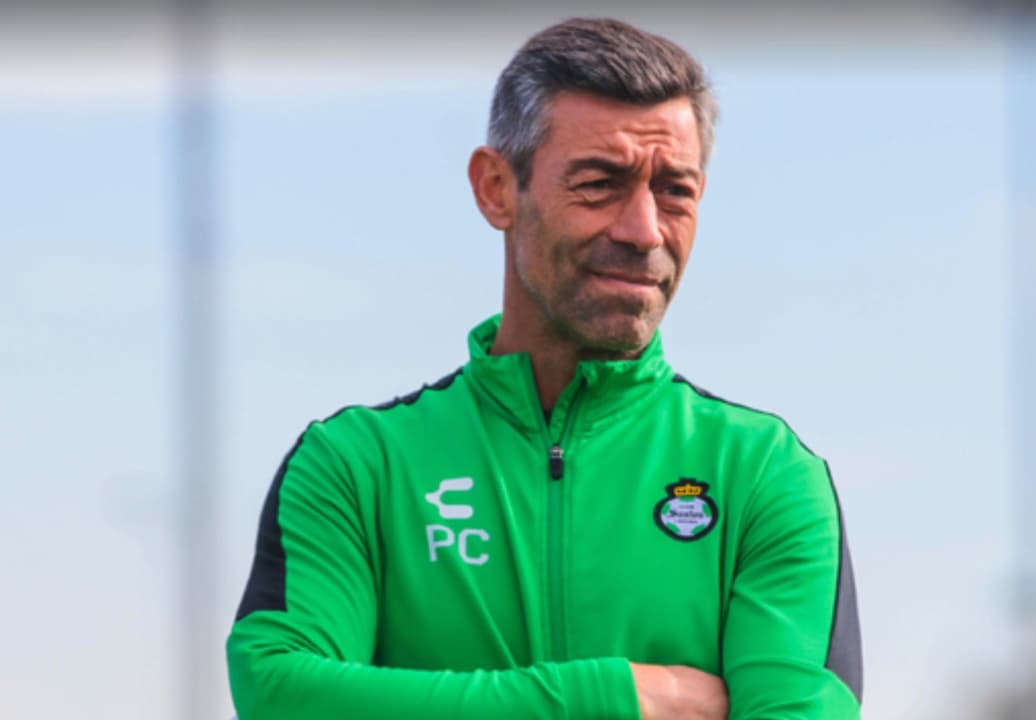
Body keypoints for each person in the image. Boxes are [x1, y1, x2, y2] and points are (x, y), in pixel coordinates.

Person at [226, 17, 862, 720]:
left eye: (674, 191)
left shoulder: (765, 473)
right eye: (599, 183)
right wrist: (611, 698)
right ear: (497, 188)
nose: (644, 230)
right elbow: (280, 695)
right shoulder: (355, 466)